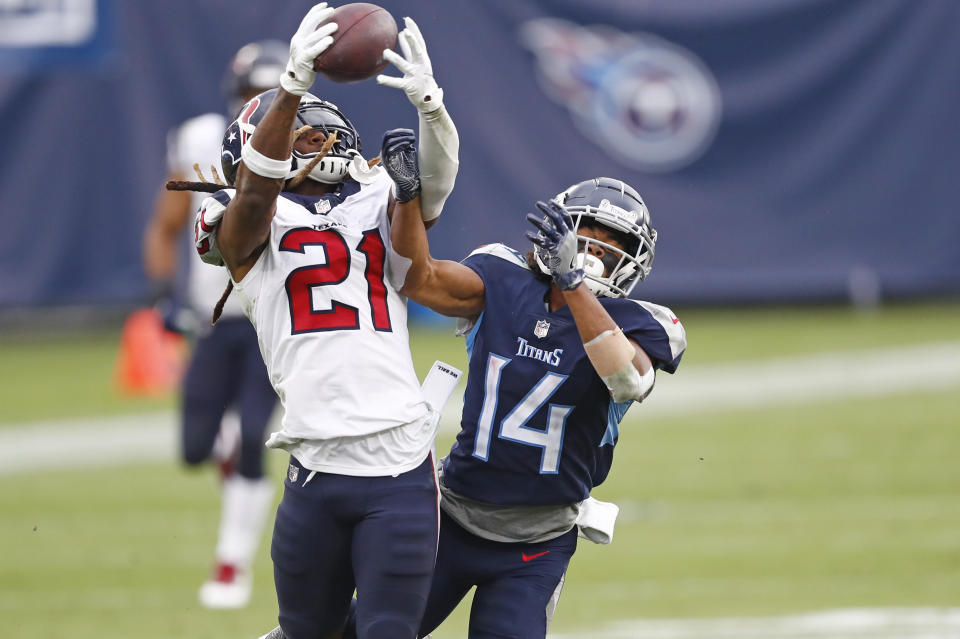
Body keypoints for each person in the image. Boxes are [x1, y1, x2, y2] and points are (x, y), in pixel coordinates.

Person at [182, 4, 460, 638]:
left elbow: (437, 186)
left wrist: (431, 110)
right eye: (306, 134)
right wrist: (291, 87)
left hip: (399, 462)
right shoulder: (244, 221)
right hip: (313, 465)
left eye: (327, 131)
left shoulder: (372, 198)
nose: (327, 141)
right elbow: (254, 198)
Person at [378, 149, 687, 638]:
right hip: (450, 517)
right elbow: (417, 278)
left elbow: (627, 379)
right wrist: (408, 199)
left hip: (537, 543)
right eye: (585, 238)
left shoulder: (643, 324)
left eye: (612, 247)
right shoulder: (501, 277)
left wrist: (574, 283)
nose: (595, 254)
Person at [142, 39, 288, 609]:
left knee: (254, 437)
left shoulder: (308, 145)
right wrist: (161, 296)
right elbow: (166, 223)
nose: (263, 107)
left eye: (272, 97)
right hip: (213, 316)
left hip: (269, 316)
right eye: (254, 95)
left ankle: (232, 564)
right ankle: (228, 452)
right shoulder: (203, 138)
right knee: (195, 447)